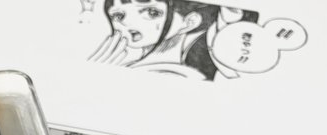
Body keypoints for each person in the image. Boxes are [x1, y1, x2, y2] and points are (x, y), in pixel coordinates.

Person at [90, 0, 259, 80]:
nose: (128, 22)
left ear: (190, 22)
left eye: (151, 13)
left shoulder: (178, 76)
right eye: (119, 15)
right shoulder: (126, 66)